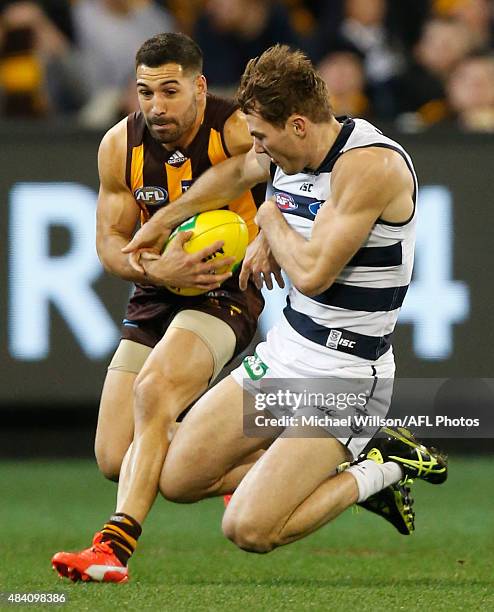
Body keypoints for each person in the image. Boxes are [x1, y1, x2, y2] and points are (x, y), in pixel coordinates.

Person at [52, 45, 447, 581]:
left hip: (346, 376)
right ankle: (349, 459)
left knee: (248, 529)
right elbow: (236, 173)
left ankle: (383, 468)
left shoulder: (369, 167)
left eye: (262, 136)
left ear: (300, 125)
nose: (256, 148)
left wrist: (270, 222)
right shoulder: (288, 151)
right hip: (287, 353)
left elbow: (311, 274)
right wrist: (163, 220)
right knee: (177, 479)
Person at [52, 32, 269, 582]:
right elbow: (109, 242)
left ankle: (112, 545)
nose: (156, 106)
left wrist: (265, 235)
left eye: (169, 91)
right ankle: (270, 465)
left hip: (226, 286)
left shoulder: (236, 128)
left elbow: (272, 176)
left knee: (155, 392)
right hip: (156, 290)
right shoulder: (118, 146)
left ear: (198, 86)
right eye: (145, 92)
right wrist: (155, 269)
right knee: (113, 456)